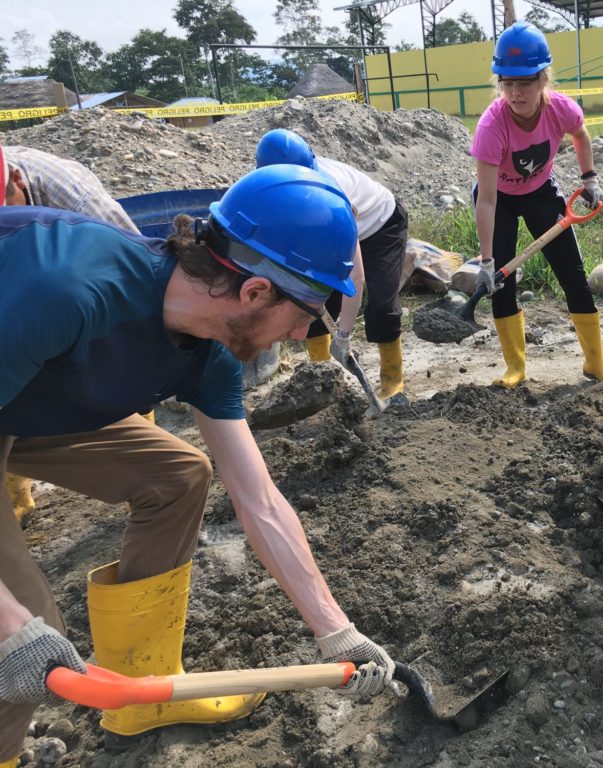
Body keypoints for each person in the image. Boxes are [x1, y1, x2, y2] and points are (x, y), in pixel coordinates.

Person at [0, 163, 397, 766]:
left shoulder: (206, 357)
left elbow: (259, 499)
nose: (297, 336)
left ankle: (143, 693)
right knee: (24, 634)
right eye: (305, 315)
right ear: (256, 292)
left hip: (24, 400)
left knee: (178, 475)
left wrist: (334, 630)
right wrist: (11, 622)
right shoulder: (65, 288)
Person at [472, 21, 603, 387]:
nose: (515, 92)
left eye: (524, 82)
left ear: (543, 79)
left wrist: (590, 178)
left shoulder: (560, 109)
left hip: (541, 194)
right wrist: (487, 262)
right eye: (507, 83)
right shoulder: (492, 127)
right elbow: (487, 200)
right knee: (502, 284)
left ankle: (595, 363)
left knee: (573, 275)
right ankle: (515, 368)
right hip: (501, 201)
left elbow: (581, 134)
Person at [2, 145, 145, 529]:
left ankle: (144, 475)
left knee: (130, 367)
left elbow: (141, 268)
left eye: (5, 206)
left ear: (17, 179)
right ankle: (17, 499)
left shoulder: (72, 193)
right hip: (24, 307)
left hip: (91, 294)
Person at [255, 129, 409, 401]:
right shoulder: (269, 187)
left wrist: (344, 334)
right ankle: (322, 384)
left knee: (382, 306)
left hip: (381, 225)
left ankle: (392, 385)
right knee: (312, 301)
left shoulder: (330, 193)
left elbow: (355, 279)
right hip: (328, 229)